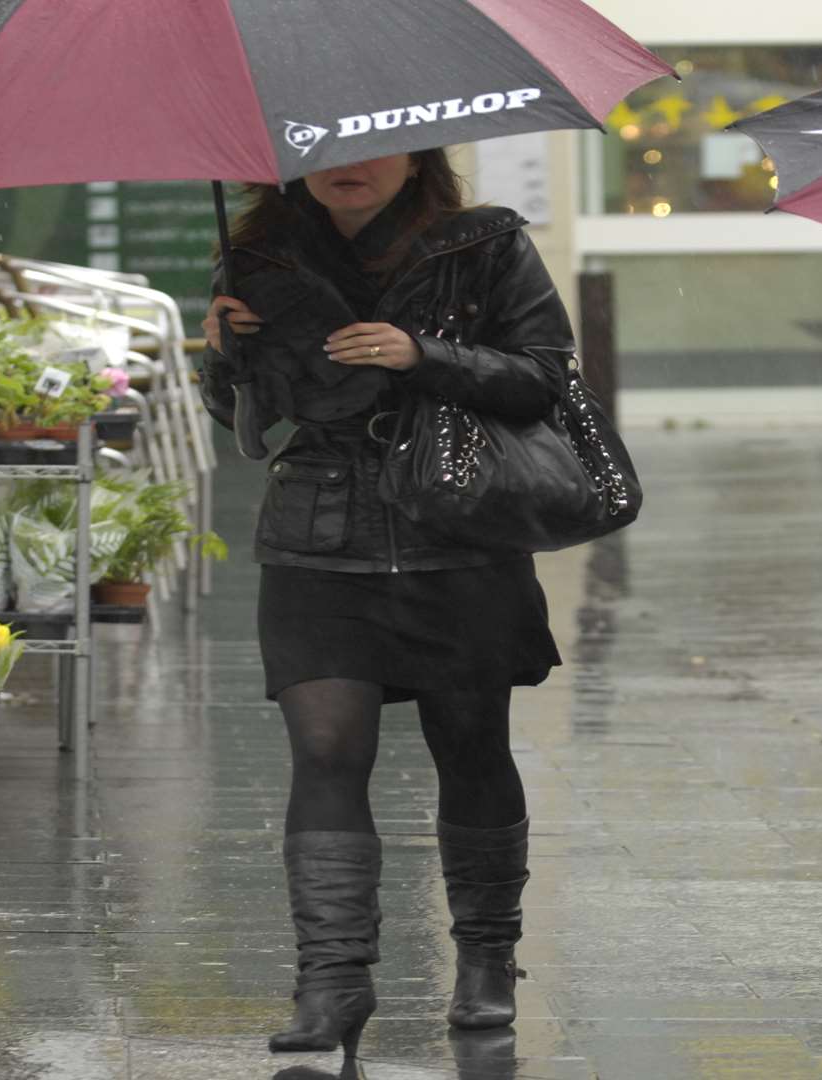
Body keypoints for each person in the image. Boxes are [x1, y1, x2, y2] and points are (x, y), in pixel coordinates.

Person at [200, 149, 573, 1062]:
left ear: (415, 153)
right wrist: (222, 356)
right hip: (319, 534)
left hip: (459, 532)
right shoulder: (260, 256)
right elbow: (250, 419)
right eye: (319, 151)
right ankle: (331, 982)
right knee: (325, 749)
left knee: (471, 741)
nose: (346, 167)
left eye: (367, 147)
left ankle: (487, 964)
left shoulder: (482, 246)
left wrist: (424, 355)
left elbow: (544, 377)